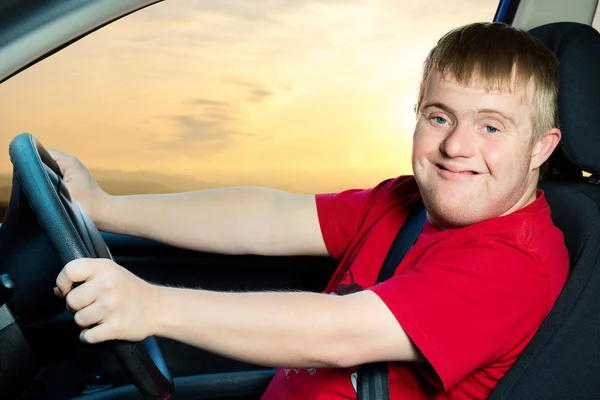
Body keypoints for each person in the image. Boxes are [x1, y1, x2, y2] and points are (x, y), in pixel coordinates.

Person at [50, 22, 569, 399]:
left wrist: (152, 307)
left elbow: (339, 334)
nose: (456, 146)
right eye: (439, 117)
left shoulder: (516, 263)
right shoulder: (407, 201)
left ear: (542, 148)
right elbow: (268, 217)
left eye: (491, 127)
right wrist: (102, 207)